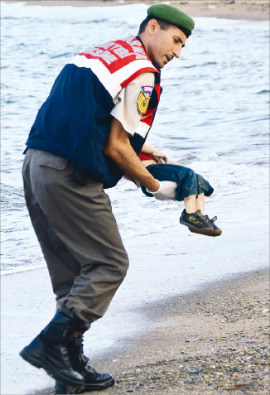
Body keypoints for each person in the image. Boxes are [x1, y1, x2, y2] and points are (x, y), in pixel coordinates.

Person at [19, 4, 195, 394]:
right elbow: (116, 148)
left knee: (71, 276)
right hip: (69, 176)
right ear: (153, 27)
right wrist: (153, 185)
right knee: (108, 264)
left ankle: (70, 373)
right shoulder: (144, 73)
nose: (178, 53)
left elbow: (90, 119)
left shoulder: (104, 52)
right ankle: (50, 345)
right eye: (176, 41)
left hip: (36, 164)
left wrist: (146, 152)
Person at [137, 144, 222, 237]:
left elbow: (168, 162)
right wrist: (153, 151)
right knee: (189, 173)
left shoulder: (146, 149)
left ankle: (199, 218)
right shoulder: (132, 145)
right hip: (149, 170)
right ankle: (189, 215)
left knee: (196, 178)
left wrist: (193, 175)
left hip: (161, 168)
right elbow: (133, 142)